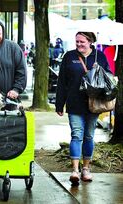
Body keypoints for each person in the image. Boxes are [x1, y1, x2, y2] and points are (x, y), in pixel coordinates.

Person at [55, 32, 112, 184]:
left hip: (94, 104)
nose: (79, 44)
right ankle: (75, 170)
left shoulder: (99, 56)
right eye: (77, 42)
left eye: (82, 42)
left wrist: (99, 70)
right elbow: (62, 81)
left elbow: (110, 77)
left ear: (90, 42)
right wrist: (59, 103)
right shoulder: (69, 56)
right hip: (74, 103)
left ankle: (86, 168)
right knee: (76, 135)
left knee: (89, 136)